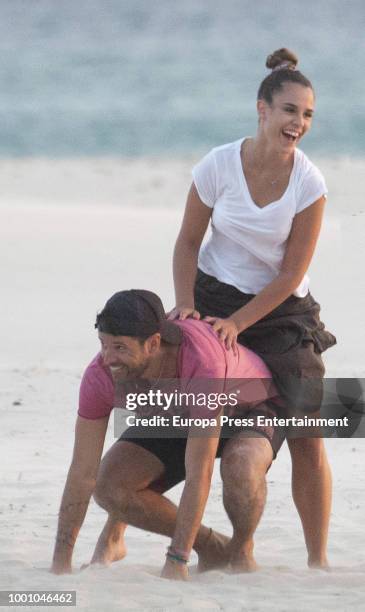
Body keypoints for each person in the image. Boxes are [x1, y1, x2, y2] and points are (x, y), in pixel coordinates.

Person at [169, 48, 336, 569]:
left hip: (283, 313)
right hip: (212, 295)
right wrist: (188, 307)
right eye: (289, 110)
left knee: (311, 430)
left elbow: (289, 275)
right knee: (165, 406)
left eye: (307, 114)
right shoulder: (218, 165)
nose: (298, 124)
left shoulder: (310, 184)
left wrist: (239, 324)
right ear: (262, 109)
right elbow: (187, 245)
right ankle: (117, 529)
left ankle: (318, 559)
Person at [51, 289, 285, 580]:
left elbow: (199, 472)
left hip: (251, 405)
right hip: (180, 411)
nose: (108, 358)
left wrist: (177, 560)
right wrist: (60, 564)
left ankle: (240, 550)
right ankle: (214, 547)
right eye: (103, 345)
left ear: (153, 343)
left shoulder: (201, 362)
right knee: (109, 485)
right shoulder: (100, 375)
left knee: (240, 466)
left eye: (120, 348)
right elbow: (81, 473)